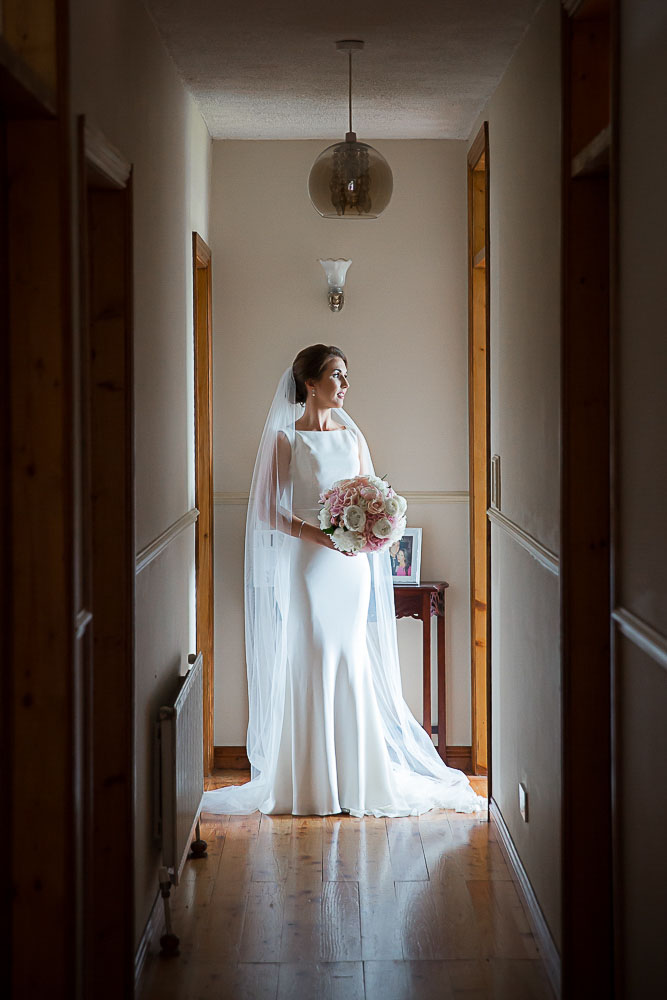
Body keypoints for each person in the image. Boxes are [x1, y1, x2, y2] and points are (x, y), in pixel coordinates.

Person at [201, 345, 487, 817]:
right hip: (309, 565)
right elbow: (267, 511)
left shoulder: (353, 438)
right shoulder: (286, 440)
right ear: (310, 383)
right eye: (336, 375)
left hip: (350, 567)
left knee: (350, 659)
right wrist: (317, 534)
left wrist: (370, 528)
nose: (345, 384)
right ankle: (310, 786)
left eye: (347, 375)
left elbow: (372, 496)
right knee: (312, 657)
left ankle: (356, 782)